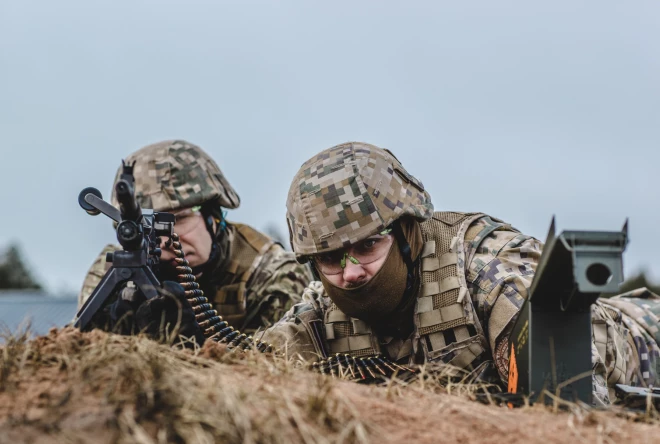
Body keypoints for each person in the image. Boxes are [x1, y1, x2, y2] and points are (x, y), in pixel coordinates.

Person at [260, 141, 660, 405]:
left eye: (367, 246)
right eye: (330, 259)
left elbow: (570, 404)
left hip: (644, 343)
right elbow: (246, 370)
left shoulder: (488, 267)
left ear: (406, 234)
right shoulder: (319, 311)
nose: (350, 275)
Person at [77, 139, 311, 335]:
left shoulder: (270, 273)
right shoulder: (114, 272)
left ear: (213, 216)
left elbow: (281, 370)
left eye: (178, 219)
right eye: (146, 226)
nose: (165, 240)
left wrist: (198, 342)